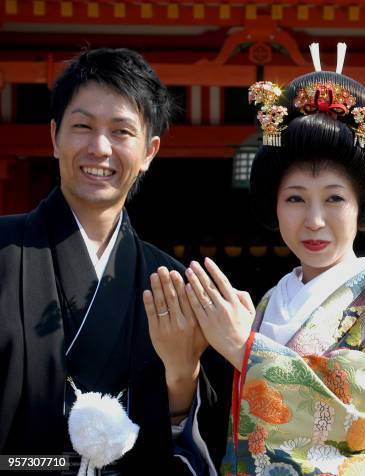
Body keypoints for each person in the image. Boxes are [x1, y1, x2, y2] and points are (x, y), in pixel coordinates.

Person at [148, 44, 365, 475]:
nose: (314, 220)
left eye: (334, 198)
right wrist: (183, 366)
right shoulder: (270, 301)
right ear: (275, 209)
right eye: (295, 198)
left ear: (360, 206)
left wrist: (246, 350)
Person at [0, 48, 223, 475]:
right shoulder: (4, 254)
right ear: (54, 137)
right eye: (82, 126)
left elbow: (193, 441)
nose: (99, 148)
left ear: (149, 152)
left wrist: (182, 372)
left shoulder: (172, 284)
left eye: (121, 131)